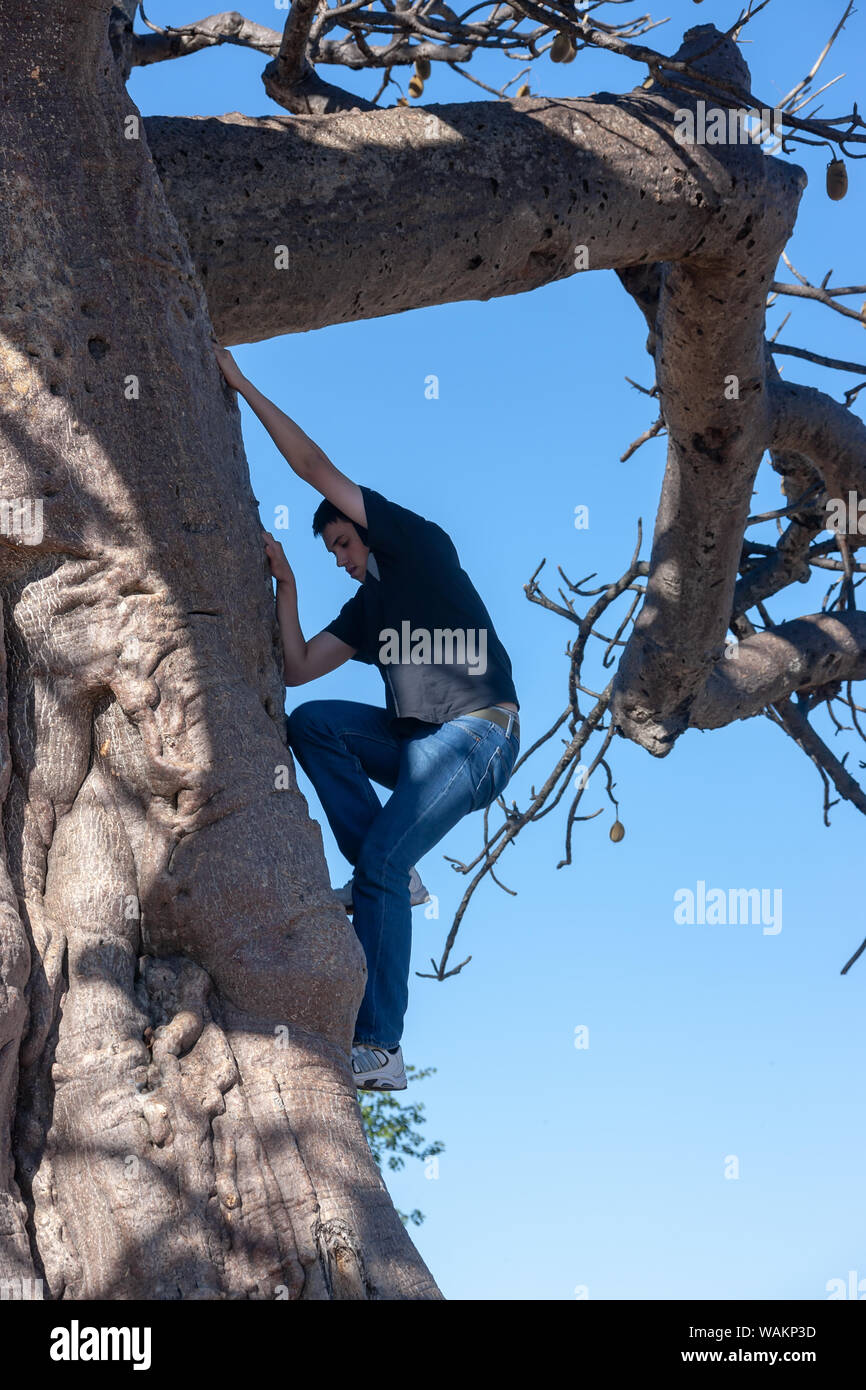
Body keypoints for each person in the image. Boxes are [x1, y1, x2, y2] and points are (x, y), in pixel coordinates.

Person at [214, 345, 520, 1090]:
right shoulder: (370, 609)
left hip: (479, 736)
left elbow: (313, 468)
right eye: (331, 554)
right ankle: (394, 871)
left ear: (369, 529)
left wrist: (241, 384)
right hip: (416, 748)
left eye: (345, 544)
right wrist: (285, 584)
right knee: (315, 723)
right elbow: (293, 671)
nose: (343, 561)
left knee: (375, 866)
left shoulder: (416, 546)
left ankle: (380, 1047)